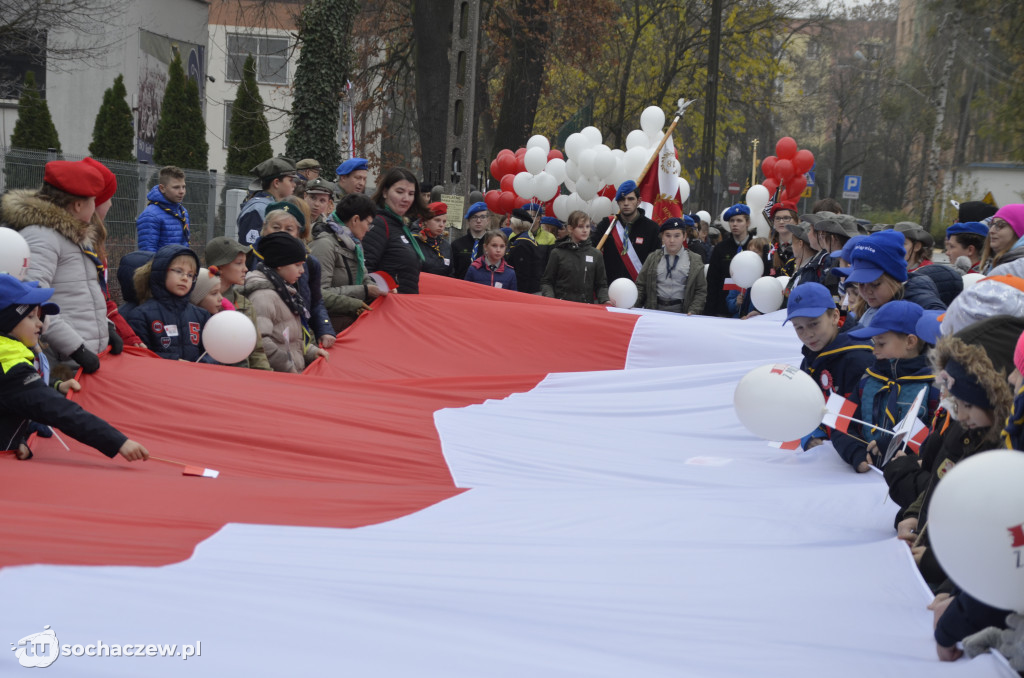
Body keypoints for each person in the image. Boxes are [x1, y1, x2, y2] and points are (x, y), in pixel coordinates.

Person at [0, 274, 149, 462]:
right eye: (30, 317)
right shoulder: (10, 364)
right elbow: (59, 410)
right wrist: (118, 442)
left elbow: (10, 397)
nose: (40, 324)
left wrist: (18, 436)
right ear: (6, 322)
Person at [1, 160, 110, 373]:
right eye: (92, 201)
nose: (96, 207)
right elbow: (33, 302)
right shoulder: (42, 237)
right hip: (63, 358)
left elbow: (82, 294)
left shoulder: (70, 235)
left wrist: (108, 327)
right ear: (78, 205)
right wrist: (76, 348)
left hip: (81, 355)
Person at [832, 301, 939, 472]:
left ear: (910, 342)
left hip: (908, 478)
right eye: (874, 343)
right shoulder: (868, 379)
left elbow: (939, 435)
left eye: (881, 344)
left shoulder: (935, 385)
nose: (874, 351)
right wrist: (855, 452)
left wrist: (899, 444)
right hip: (864, 478)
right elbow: (841, 422)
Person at [784, 283, 874, 449]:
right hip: (826, 450)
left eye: (814, 324)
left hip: (852, 452)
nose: (808, 334)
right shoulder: (813, 354)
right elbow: (805, 405)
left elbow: (860, 420)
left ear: (834, 316)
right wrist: (812, 436)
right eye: (799, 328)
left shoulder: (858, 359)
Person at [243, 232, 329, 373]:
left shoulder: (283, 291)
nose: (302, 271)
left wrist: (311, 351)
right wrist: (289, 368)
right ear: (279, 264)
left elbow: (288, 339)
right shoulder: (263, 296)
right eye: (297, 265)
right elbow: (262, 343)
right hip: (279, 378)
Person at [260, 202, 335, 348]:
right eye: (275, 227)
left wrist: (325, 329)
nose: (281, 232)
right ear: (264, 227)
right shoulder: (248, 258)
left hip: (300, 341)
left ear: (298, 233)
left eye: (289, 229)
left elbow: (316, 302)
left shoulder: (310, 263)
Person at [842, 230, 945, 334]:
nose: (867, 291)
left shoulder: (920, 301)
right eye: (861, 283)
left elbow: (945, 327)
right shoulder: (874, 303)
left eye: (875, 284)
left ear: (895, 278)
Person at [126, 245, 212, 362]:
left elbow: (212, 353)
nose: (185, 278)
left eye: (190, 275)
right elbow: (138, 356)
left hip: (195, 378)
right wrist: (175, 361)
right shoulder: (141, 315)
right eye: (178, 271)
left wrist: (202, 364)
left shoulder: (201, 315)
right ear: (161, 272)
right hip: (158, 379)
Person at [309, 193, 380, 333]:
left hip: (346, 322)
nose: (368, 229)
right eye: (368, 224)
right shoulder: (325, 245)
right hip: (328, 329)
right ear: (355, 220)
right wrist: (365, 291)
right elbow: (318, 294)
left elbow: (363, 276)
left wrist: (379, 289)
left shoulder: (354, 244)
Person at [203, 236, 272, 371]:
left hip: (241, 378)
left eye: (245, 263)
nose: (245, 269)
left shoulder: (244, 304)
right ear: (220, 267)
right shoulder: (199, 301)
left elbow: (256, 351)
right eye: (238, 263)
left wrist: (265, 378)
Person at [362, 167, 432, 294]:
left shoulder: (400, 225)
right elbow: (364, 269)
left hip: (403, 305)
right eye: (400, 192)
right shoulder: (379, 223)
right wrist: (385, 288)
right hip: (387, 307)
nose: (406, 198)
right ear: (385, 192)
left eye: (411, 194)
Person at [592, 180, 660, 284]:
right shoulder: (607, 224)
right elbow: (590, 250)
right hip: (610, 290)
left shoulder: (652, 228)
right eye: (622, 199)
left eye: (630, 199)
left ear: (639, 201)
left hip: (640, 292)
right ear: (618, 202)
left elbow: (656, 265)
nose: (626, 203)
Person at [635, 217, 706, 313]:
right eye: (668, 235)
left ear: (684, 236)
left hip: (682, 312)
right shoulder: (652, 258)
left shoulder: (695, 260)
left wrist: (694, 311)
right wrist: (633, 305)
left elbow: (700, 290)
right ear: (662, 237)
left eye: (677, 236)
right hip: (655, 310)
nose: (672, 240)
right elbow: (641, 286)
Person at [540, 210, 609, 304]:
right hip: (562, 307)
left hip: (585, 308)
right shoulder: (557, 253)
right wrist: (550, 299)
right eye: (580, 226)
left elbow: (601, 285)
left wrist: (605, 300)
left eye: (588, 226)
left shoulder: (596, 254)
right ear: (570, 228)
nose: (585, 230)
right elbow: (547, 281)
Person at [704, 204, 752, 317]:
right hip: (722, 309)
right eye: (732, 221)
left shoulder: (756, 246)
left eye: (739, 220)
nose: (735, 224)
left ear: (748, 223)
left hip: (749, 310)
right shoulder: (720, 248)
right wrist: (709, 312)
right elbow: (712, 281)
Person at [237, 157, 298, 246]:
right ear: (276, 183)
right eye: (290, 180)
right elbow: (250, 251)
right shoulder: (258, 209)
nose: (294, 184)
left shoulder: (273, 205)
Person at [136, 166, 189, 252]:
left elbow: (185, 245)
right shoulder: (150, 215)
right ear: (162, 188)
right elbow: (148, 253)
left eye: (183, 187)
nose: (181, 191)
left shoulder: (183, 212)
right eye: (176, 187)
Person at [727, 237, 770, 318]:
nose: (751, 255)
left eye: (756, 252)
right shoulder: (740, 274)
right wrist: (736, 302)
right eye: (749, 251)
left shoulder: (769, 277)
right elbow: (729, 304)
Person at [506, 208, 542, 293]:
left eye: (511, 221)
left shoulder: (522, 244)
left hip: (525, 291)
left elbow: (522, 274)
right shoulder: (526, 240)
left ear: (516, 223)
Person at [980, 205, 1024, 273]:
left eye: (1000, 225)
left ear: (1019, 230)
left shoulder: (1018, 269)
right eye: (991, 224)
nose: (991, 231)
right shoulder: (989, 266)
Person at [452, 202, 490, 280]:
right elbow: (452, 271)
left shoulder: (492, 244)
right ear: (468, 220)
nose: (478, 221)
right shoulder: (457, 244)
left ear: (488, 220)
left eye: (482, 217)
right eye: (474, 217)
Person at [417, 202, 453, 276]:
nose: (441, 225)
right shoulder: (416, 242)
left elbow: (451, 273)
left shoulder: (446, 246)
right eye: (437, 220)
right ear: (426, 221)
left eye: (444, 221)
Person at [769, 201, 798, 276]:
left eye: (786, 218)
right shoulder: (768, 248)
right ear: (774, 222)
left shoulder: (802, 247)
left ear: (796, 221)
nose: (781, 222)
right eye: (777, 218)